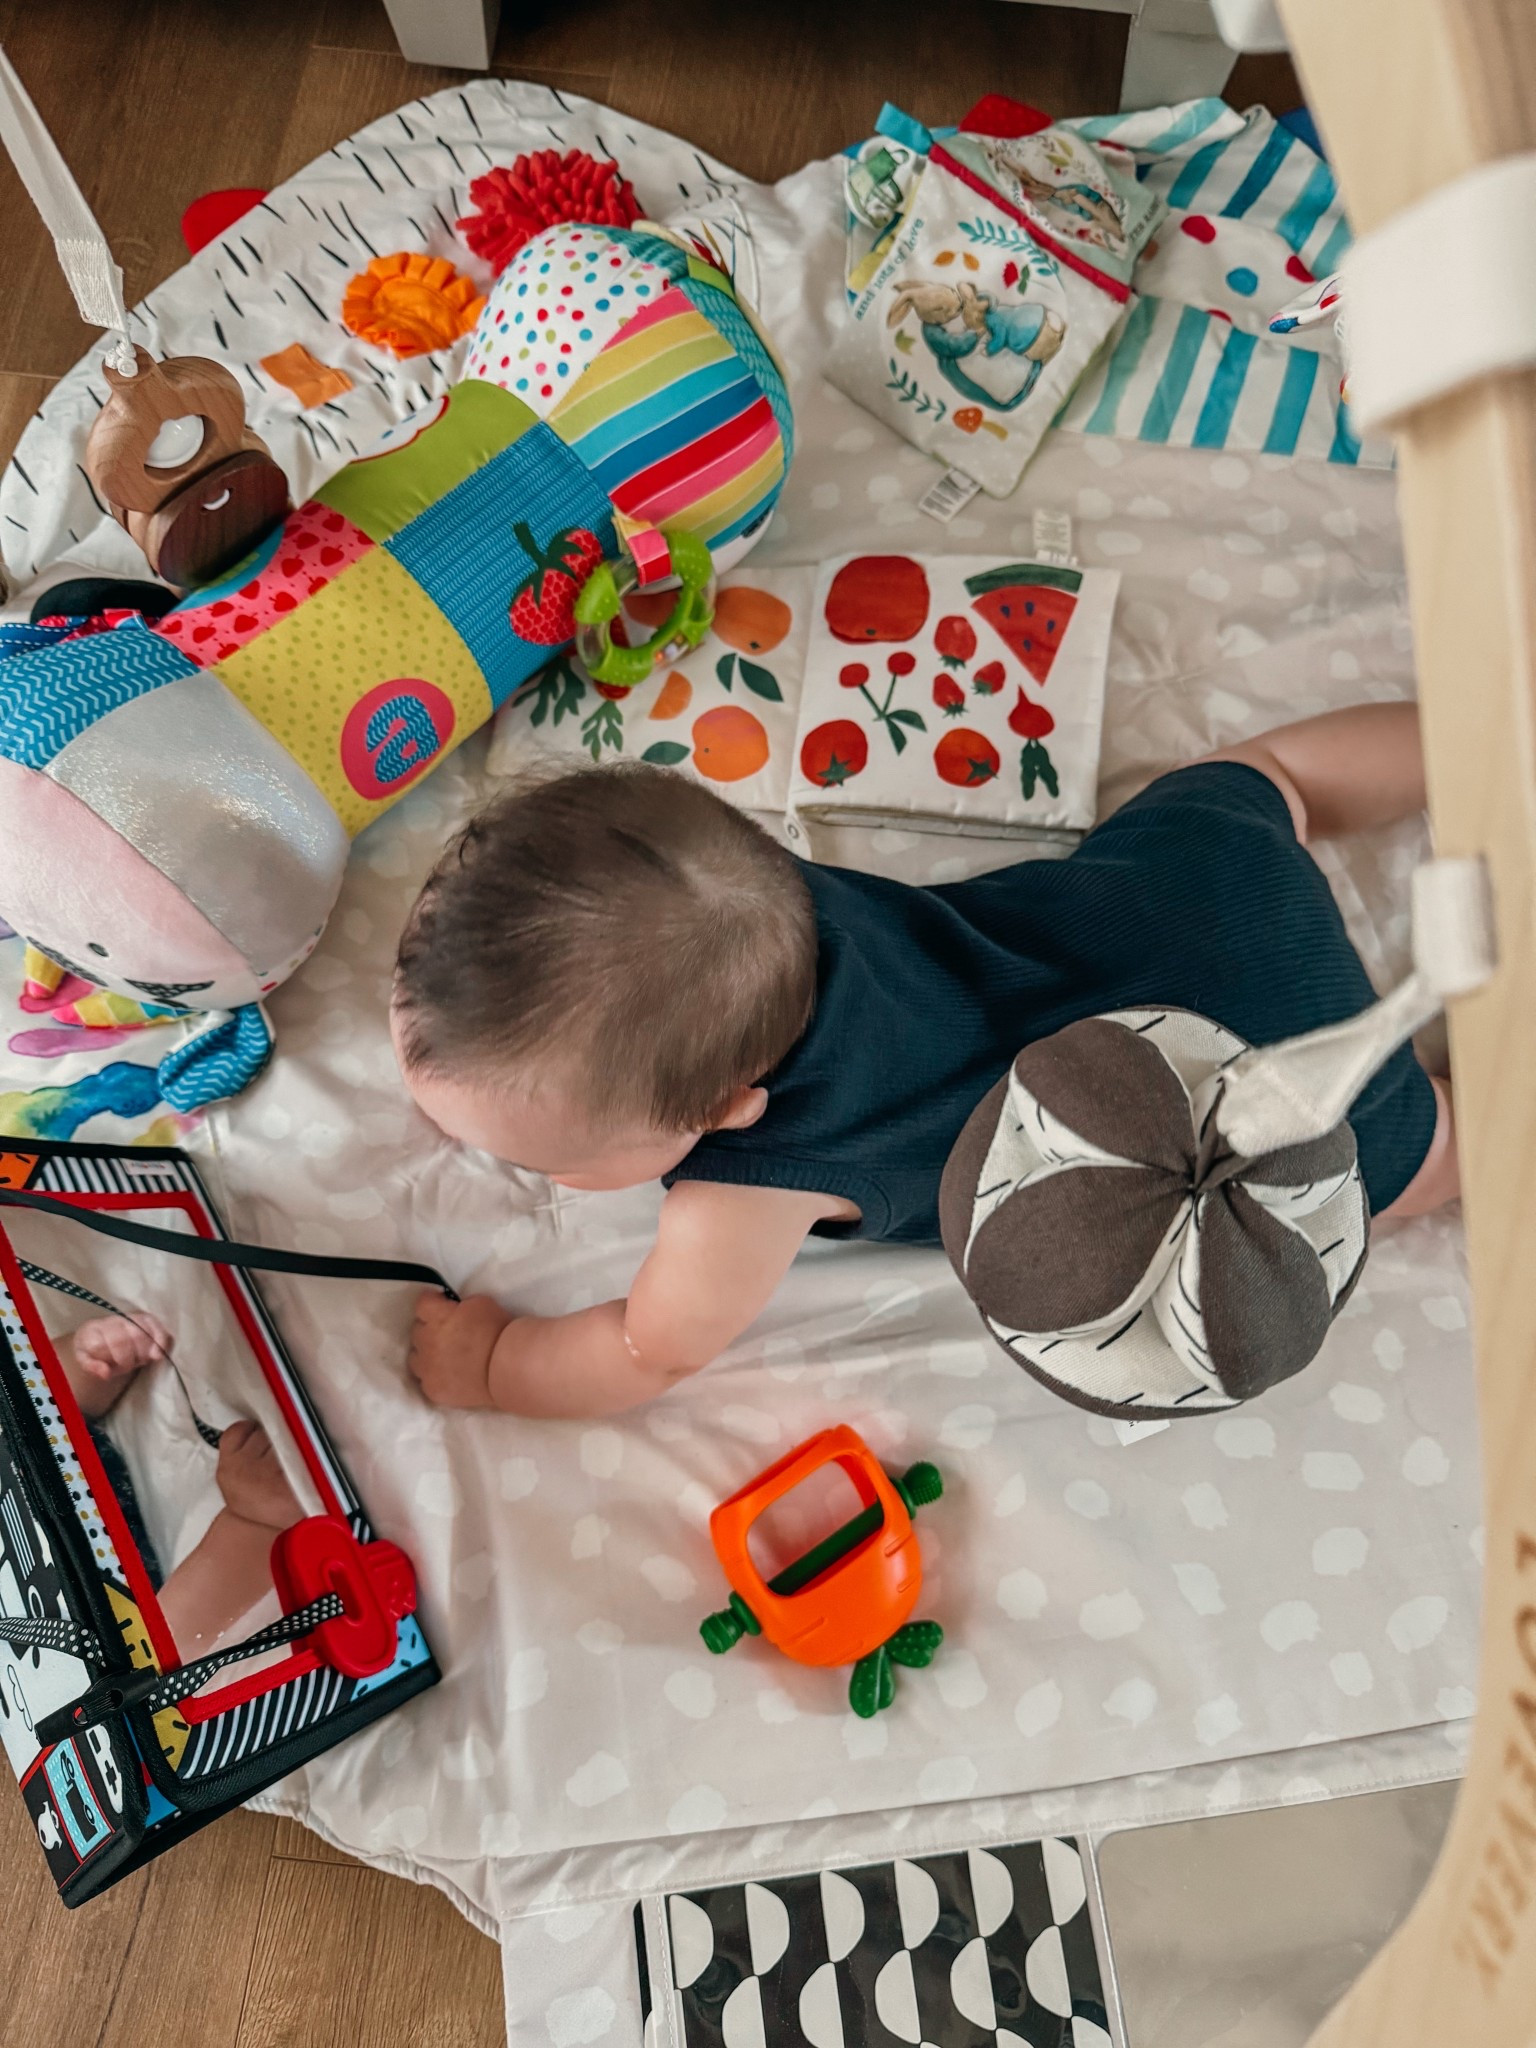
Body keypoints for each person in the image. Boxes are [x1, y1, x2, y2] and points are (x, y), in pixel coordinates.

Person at [393, 701, 1457, 1420]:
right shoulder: (748, 902)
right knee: (1267, 777)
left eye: (553, 1163)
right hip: (1199, 887)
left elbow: (646, 1347)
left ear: (728, 1108)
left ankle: (1454, 1126)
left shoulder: (737, 1198)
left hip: (1256, 1089)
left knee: (1433, 1154)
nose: (548, 1179)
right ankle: (1478, 731)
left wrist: (493, 1365)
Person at [60, 1314, 302, 1653]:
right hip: (123, 1613)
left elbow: (21, 1402)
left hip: (57, 1456)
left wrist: (88, 1360)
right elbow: (147, 1664)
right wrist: (251, 1522)